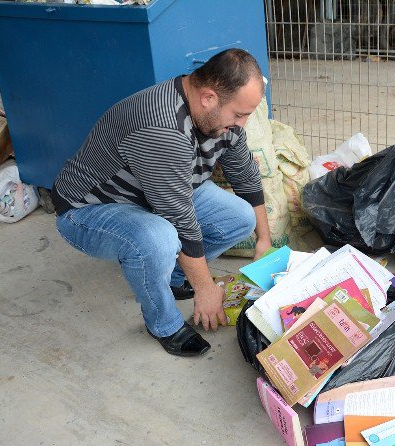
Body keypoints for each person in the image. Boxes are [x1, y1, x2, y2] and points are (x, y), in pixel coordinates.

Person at [52, 48, 271, 357]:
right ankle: (164, 324)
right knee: (158, 240)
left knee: (240, 218)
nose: (242, 124)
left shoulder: (218, 117)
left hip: (159, 193)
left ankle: (173, 278)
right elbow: (179, 219)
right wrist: (206, 289)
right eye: (239, 114)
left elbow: (244, 173)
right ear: (208, 97)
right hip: (90, 208)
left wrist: (264, 239)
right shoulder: (162, 127)